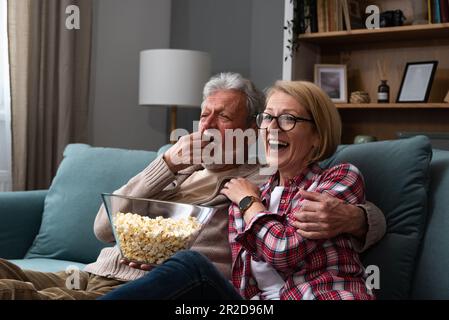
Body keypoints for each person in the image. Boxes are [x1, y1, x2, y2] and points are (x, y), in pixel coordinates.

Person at [0, 74, 384, 299]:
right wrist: (166, 164)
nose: (206, 127)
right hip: (99, 271)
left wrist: (359, 218)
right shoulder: (183, 169)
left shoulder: (255, 178)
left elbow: (320, 210)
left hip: (155, 285)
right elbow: (104, 228)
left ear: (249, 130)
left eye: (223, 117)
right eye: (203, 115)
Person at [99, 80, 376, 300]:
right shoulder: (253, 191)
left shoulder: (254, 189)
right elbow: (104, 227)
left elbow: (283, 250)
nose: (273, 128)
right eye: (268, 118)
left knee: (190, 264)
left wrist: (359, 218)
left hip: (320, 296)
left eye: (288, 119)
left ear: (318, 136)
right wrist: (161, 262)